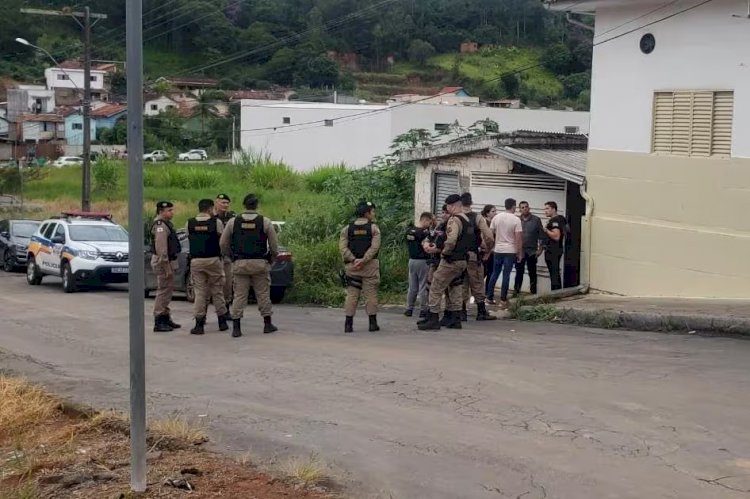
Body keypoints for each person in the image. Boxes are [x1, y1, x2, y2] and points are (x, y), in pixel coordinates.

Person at [220, 194, 279, 338]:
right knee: (263, 294)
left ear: (244, 205)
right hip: (260, 263)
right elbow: (274, 246)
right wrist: (271, 259)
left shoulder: (233, 222)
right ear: (256, 205)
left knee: (239, 296)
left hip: (240, 263)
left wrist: (230, 256)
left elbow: (223, 243)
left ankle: (236, 328)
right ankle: (267, 324)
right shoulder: (265, 222)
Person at [419, 194, 474, 331]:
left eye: (448, 206)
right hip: (462, 260)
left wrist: (444, 253)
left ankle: (433, 318)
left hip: (451, 260)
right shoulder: (467, 220)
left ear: (453, 206)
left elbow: (451, 240)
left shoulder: (454, 220)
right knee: (455, 287)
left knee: (435, 287)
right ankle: (455, 318)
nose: (447, 209)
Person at [187, 199, 230, 335]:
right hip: (213, 260)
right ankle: (222, 322)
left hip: (196, 261)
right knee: (217, 290)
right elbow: (222, 241)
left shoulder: (190, 222)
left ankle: (199, 324)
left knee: (200, 292)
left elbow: (190, 238)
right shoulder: (215, 222)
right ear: (210, 209)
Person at [339, 201, 381, 333]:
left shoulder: (347, 229)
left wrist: (353, 259)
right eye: (372, 211)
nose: (374, 214)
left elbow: (342, 248)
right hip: (369, 267)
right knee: (371, 294)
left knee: (352, 294)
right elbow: (375, 247)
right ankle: (372, 324)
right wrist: (364, 260)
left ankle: (348, 324)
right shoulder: (374, 228)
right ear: (367, 213)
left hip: (352, 267)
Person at [460, 193, 496, 321]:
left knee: (461, 284)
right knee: (477, 283)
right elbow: (489, 236)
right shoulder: (477, 217)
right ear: (471, 203)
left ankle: (462, 312)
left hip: (458, 257)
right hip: (473, 256)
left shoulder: (455, 217)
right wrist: (487, 250)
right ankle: (481, 312)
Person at [486, 198, 523, 308]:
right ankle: (503, 299)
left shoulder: (496, 217)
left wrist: (490, 247)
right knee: (506, 275)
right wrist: (519, 253)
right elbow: (518, 238)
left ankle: (489, 297)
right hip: (510, 251)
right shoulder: (516, 220)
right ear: (513, 207)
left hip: (498, 250)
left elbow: (490, 234)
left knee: (494, 273)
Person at [151, 201, 182, 332]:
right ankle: (159, 319)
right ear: (161, 211)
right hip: (164, 262)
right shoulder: (160, 226)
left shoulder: (166, 224)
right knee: (163, 291)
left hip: (169, 261)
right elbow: (161, 248)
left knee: (167, 291)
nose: (172, 213)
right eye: (169, 210)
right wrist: (166, 266)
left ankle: (165, 317)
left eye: (172, 210)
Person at [404, 212, 434, 318]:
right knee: (423, 286)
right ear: (425, 220)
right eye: (430, 222)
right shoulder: (425, 233)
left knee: (412, 286)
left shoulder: (409, 231)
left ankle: (409, 309)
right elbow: (428, 245)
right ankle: (423, 309)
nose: (431, 224)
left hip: (412, 260)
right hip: (423, 261)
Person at [514, 201, 544, 296]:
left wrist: (540, 249)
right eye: (522, 207)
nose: (524, 209)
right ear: (520, 209)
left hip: (532, 251)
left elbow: (541, 235)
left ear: (529, 208)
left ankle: (533, 293)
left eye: (526, 207)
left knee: (532, 272)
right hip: (520, 251)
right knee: (519, 272)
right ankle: (516, 292)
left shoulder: (536, 220)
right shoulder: (517, 220)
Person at [213, 193, 236, 306]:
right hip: (213, 255)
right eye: (223, 202)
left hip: (227, 256)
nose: (225, 205)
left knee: (227, 284)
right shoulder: (210, 217)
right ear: (216, 203)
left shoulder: (232, 218)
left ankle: (226, 307)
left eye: (227, 203)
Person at [543, 201, 567, 291]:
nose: (545, 211)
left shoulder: (555, 220)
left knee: (554, 273)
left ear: (553, 209)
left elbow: (556, 236)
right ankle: (557, 292)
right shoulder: (560, 219)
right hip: (556, 249)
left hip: (553, 250)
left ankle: (555, 293)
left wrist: (546, 230)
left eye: (547, 208)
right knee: (554, 272)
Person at [481, 204, 497, 289]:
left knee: (491, 272)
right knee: (483, 272)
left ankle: (488, 291)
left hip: (492, 250)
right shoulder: (484, 222)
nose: (495, 213)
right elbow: (482, 237)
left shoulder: (494, 222)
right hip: (484, 251)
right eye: (493, 211)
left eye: (495, 211)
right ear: (487, 213)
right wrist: (486, 251)